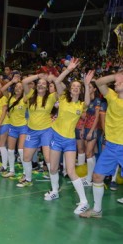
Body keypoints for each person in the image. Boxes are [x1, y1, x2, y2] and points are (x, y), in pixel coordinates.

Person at [44, 58, 94, 215]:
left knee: (71, 171)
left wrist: (86, 83)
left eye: (78, 87)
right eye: (74, 86)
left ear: (80, 91)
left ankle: (84, 202)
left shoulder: (80, 105)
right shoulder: (63, 99)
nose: (75, 88)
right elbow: (57, 81)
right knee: (52, 168)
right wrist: (69, 69)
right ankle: (54, 191)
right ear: (70, 89)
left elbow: (88, 101)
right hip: (56, 137)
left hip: (69, 141)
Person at [80, 70, 123, 218]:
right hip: (111, 146)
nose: (115, 83)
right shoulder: (111, 96)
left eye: (119, 81)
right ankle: (97, 210)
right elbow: (99, 83)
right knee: (97, 176)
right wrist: (116, 76)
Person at [17, 73, 57, 187]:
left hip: (46, 131)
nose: (41, 85)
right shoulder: (31, 94)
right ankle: (28, 180)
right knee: (26, 157)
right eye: (39, 83)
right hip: (31, 131)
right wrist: (38, 76)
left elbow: (62, 88)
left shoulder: (52, 96)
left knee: (48, 159)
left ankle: (55, 188)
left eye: (44, 83)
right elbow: (24, 82)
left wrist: (52, 78)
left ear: (47, 86)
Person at [1, 76, 27, 178]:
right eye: (16, 86)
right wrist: (12, 81)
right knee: (10, 150)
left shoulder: (25, 99)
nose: (18, 88)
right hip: (12, 126)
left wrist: (24, 84)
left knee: (21, 150)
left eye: (20, 87)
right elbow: (2, 90)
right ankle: (11, 170)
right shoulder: (10, 97)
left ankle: (25, 173)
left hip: (23, 127)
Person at [82, 81, 101, 186]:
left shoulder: (97, 101)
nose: (88, 89)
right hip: (85, 128)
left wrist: (91, 131)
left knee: (88, 153)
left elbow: (97, 117)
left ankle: (89, 180)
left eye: (90, 87)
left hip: (93, 129)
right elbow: (85, 116)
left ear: (94, 89)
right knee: (90, 153)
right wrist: (82, 129)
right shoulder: (87, 101)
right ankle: (91, 176)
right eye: (87, 87)